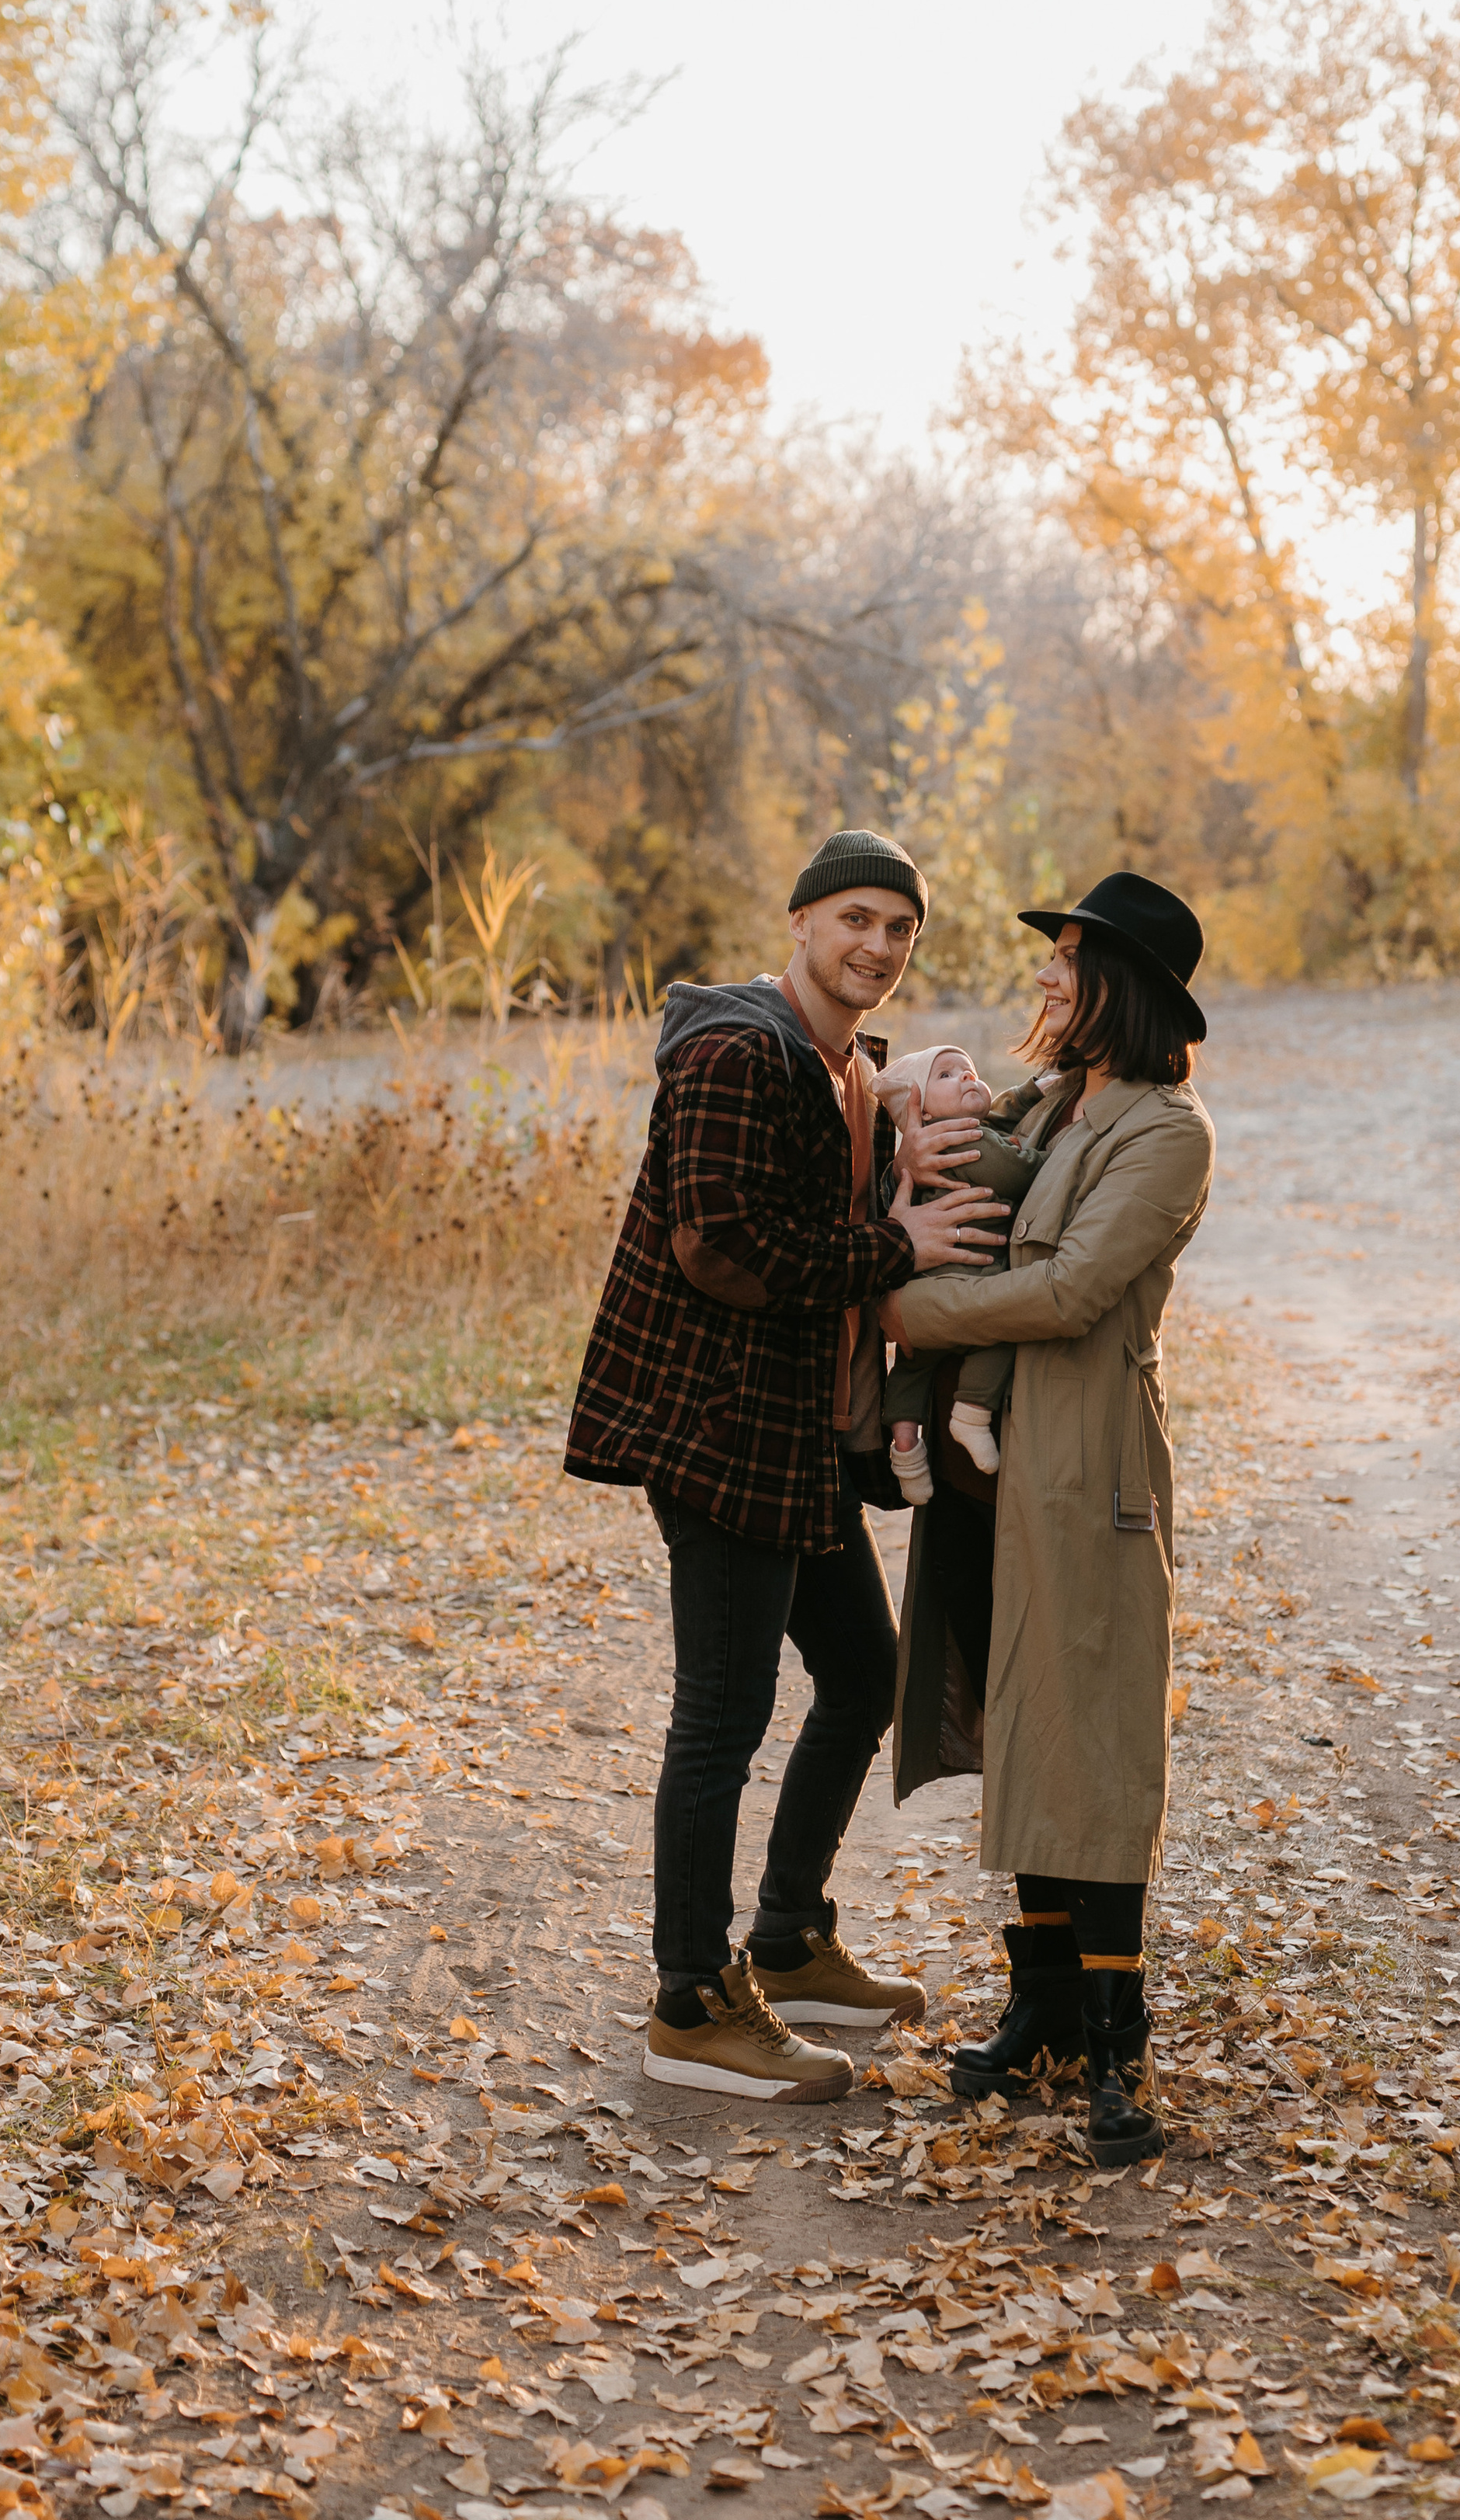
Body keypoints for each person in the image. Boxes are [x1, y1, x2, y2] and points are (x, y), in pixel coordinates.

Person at [565, 829, 1005, 2105]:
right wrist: (895, 1245)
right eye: (855, 919)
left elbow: (822, 1214)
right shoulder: (731, 1052)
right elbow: (722, 1245)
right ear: (802, 923)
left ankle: (791, 1942)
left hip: (796, 1436)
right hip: (717, 1427)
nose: (876, 946)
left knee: (866, 1675)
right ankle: (692, 2002)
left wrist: (893, 1184)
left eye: (900, 929)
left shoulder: (840, 1072)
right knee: (722, 1714)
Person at [881, 871, 1215, 2165]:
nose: (1043, 976)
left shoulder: (1164, 1131)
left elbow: (1075, 1291)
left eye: (1065, 958)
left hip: (1084, 1468)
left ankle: (1115, 2031)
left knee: (1096, 1729)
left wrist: (905, 1313)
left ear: (1117, 984)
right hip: (990, 1468)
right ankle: (1043, 2005)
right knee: (1019, 1712)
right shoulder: (1046, 1101)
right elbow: (944, 1161)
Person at [867, 1042, 1051, 1503]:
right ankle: (971, 1411)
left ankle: (906, 1444)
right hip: (970, 1282)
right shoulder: (965, 1141)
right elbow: (1015, 1171)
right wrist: (1050, 1156)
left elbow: (999, 1116)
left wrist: (1027, 1094)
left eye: (970, 1070)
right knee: (1000, 1335)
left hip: (922, 1288)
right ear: (920, 1113)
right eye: (947, 1076)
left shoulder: (939, 1141)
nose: (968, 1077)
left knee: (912, 1367)